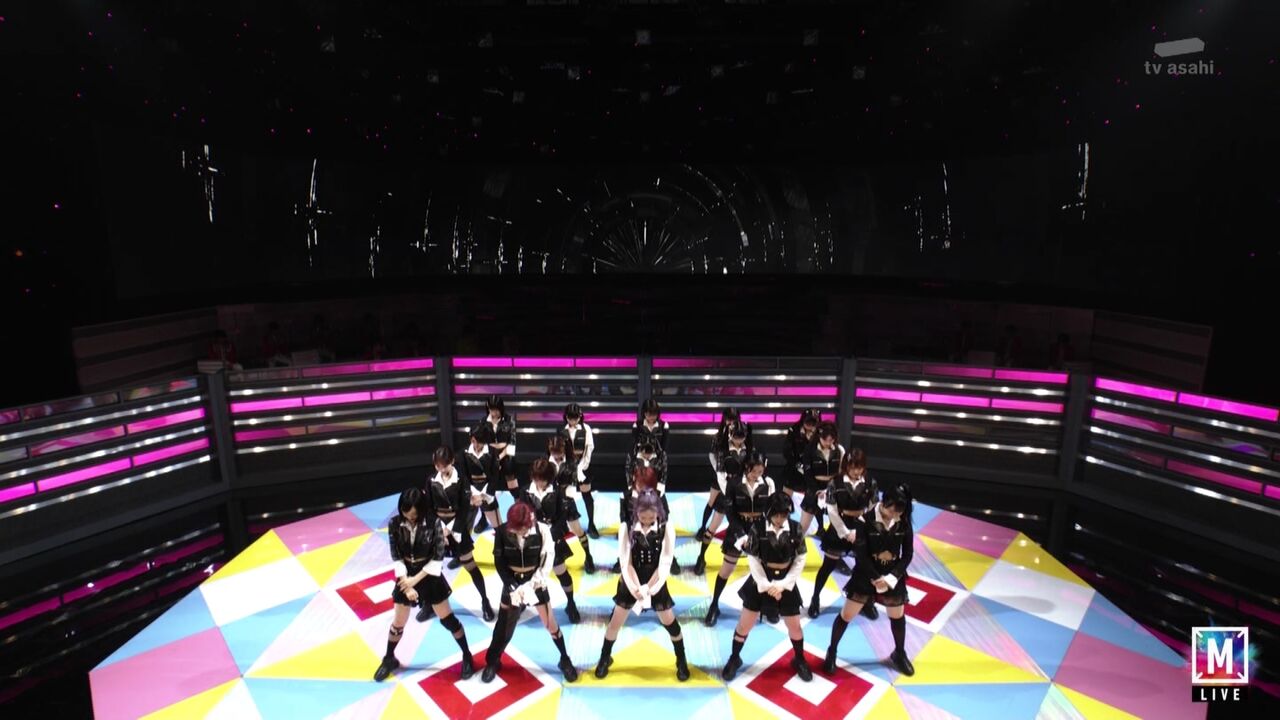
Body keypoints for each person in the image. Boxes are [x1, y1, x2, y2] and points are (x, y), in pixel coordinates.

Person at [374, 488, 475, 682]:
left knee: (448, 620)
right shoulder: (394, 524)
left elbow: (437, 559)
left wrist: (414, 581)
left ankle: (467, 655)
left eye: (414, 515)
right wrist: (407, 584)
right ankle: (389, 658)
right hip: (405, 577)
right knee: (398, 623)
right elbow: (396, 557)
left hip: (429, 575)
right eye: (406, 513)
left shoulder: (433, 523)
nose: (410, 518)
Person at [594, 489, 690, 682]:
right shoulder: (626, 528)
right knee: (615, 623)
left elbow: (664, 564)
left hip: (656, 581)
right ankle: (605, 658)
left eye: (651, 517)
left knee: (670, 623)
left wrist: (648, 590)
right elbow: (625, 563)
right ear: (636, 512)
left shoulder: (666, 528)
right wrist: (635, 588)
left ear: (658, 512)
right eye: (643, 517)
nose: (646, 521)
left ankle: (681, 660)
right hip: (631, 580)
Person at [824, 483, 917, 677]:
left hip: (892, 576)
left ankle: (899, 654)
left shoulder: (903, 522)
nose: (893, 515)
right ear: (883, 502)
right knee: (846, 615)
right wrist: (876, 578)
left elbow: (907, 554)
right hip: (866, 574)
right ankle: (831, 651)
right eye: (891, 510)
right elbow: (861, 554)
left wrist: (891, 577)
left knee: (897, 616)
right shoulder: (864, 520)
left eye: (898, 512)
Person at [482, 500, 579, 684]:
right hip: (512, 584)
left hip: (536, 583)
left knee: (551, 624)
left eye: (522, 530)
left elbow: (546, 563)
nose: (519, 533)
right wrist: (512, 585)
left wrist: (530, 585)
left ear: (529, 523)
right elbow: (499, 562)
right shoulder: (502, 531)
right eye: (515, 530)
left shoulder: (543, 531)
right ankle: (493, 661)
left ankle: (564, 659)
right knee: (503, 625)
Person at [721, 493, 812, 682]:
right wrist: (765, 585)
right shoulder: (758, 528)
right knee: (744, 625)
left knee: (795, 626)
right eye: (776, 515)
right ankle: (734, 658)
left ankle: (799, 659)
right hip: (760, 581)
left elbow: (800, 558)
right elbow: (753, 559)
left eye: (783, 515)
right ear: (768, 513)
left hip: (786, 582)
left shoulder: (795, 528)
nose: (779, 519)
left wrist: (783, 585)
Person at [424, 446, 496, 621]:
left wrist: (451, 529)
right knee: (430, 569)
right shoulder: (431, 481)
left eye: (445, 466)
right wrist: (440, 529)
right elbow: (429, 509)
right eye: (438, 466)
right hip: (439, 531)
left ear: (452, 462)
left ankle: (485, 601)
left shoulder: (462, 480)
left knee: (471, 567)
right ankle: (430, 604)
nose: (442, 470)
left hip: (458, 530)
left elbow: (465, 509)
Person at [704, 451, 775, 627]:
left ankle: (766, 605)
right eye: (754, 471)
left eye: (760, 471)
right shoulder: (734, 484)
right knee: (726, 569)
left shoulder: (768, 483)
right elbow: (730, 512)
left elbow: (770, 510)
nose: (757, 475)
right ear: (746, 468)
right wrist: (741, 535)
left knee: (764, 570)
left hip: (759, 530)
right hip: (738, 529)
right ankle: (714, 605)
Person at [809, 449, 879, 620]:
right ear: (846, 466)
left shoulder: (870, 482)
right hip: (839, 526)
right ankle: (815, 598)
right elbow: (832, 511)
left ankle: (866, 602)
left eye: (859, 467)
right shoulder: (835, 483)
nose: (856, 471)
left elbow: (873, 507)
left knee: (865, 568)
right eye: (853, 467)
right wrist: (845, 532)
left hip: (861, 525)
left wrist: (861, 528)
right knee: (827, 566)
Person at [517, 458, 589, 622]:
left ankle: (571, 603)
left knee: (561, 572)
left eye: (542, 479)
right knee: (527, 575)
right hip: (532, 541)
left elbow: (562, 520)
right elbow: (522, 515)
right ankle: (524, 599)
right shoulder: (525, 492)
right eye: (536, 479)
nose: (539, 482)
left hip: (552, 540)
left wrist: (550, 536)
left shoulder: (557, 492)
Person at [692, 423, 751, 574]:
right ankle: (701, 557)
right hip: (727, 491)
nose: (739, 440)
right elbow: (720, 474)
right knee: (713, 527)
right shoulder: (723, 450)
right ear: (731, 435)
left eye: (742, 437)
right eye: (736, 437)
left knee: (748, 527)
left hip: (744, 492)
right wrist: (730, 492)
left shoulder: (748, 449)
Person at [544, 436, 598, 574]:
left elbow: (572, 488)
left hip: (567, 502)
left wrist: (562, 499)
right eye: (554, 453)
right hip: (550, 503)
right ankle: (554, 560)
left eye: (559, 453)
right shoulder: (545, 463)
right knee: (550, 534)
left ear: (564, 450)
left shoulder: (571, 464)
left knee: (578, 531)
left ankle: (588, 556)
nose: (556, 457)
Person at [559, 403, 600, 539]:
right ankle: (565, 525)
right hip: (567, 467)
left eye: (575, 418)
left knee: (586, 495)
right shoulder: (561, 430)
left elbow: (589, 449)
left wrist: (581, 467)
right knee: (566, 497)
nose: (572, 420)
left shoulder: (586, 429)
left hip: (584, 466)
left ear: (580, 416)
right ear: (566, 417)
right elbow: (560, 450)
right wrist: (567, 467)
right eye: (570, 418)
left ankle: (591, 524)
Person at [799, 423, 844, 537]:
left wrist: (832, 487)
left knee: (837, 524)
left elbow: (841, 473)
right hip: (814, 486)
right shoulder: (810, 450)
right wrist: (816, 490)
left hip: (832, 487)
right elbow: (807, 473)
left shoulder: (839, 450)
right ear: (819, 436)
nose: (828, 443)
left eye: (831, 440)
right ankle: (797, 544)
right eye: (825, 440)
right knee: (803, 526)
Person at [461, 425, 500, 534]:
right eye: (473, 441)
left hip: (487, 491)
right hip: (471, 492)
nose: (476, 445)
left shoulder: (492, 452)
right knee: (464, 530)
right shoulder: (464, 453)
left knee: (499, 528)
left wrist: (483, 495)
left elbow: (495, 476)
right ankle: (482, 521)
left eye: (479, 442)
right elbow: (464, 476)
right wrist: (474, 494)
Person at [783, 408, 821, 507]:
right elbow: (787, 451)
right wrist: (797, 464)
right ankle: (785, 506)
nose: (811, 426)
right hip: (795, 466)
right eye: (808, 422)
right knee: (789, 480)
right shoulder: (794, 430)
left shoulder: (821, 433)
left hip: (813, 468)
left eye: (814, 423)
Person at [475, 395, 518, 479]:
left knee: (509, 465)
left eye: (496, 410)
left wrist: (499, 458)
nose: (494, 413)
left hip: (505, 454)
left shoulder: (509, 420)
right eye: (491, 410)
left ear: (501, 408)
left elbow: (512, 443)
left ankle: (511, 485)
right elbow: (481, 442)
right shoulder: (483, 422)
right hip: (489, 454)